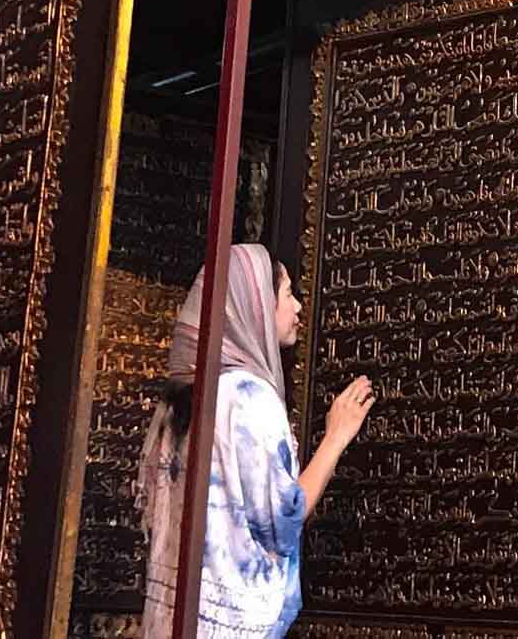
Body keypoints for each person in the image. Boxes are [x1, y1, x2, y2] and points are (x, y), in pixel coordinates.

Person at [136, 243, 375, 638]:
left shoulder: (181, 400)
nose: (298, 307)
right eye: (287, 294)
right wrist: (337, 436)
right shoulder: (247, 396)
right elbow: (281, 520)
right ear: (256, 305)